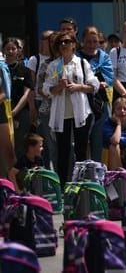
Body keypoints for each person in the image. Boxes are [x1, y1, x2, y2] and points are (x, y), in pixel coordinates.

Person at [43, 30, 100, 185]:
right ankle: (62, 187)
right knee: (63, 152)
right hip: (61, 115)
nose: (64, 44)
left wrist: (78, 87)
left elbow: (94, 85)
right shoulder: (54, 66)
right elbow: (46, 90)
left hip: (81, 113)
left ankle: (81, 186)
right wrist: (58, 87)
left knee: (81, 151)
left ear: (74, 45)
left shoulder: (82, 63)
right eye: (61, 42)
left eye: (67, 41)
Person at [77, 26, 114, 162]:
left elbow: (109, 78)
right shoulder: (76, 57)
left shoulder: (104, 58)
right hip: (81, 103)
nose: (92, 45)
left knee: (97, 142)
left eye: (95, 42)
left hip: (100, 105)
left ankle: (97, 172)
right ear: (83, 42)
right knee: (81, 142)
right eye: (88, 42)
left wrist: (101, 83)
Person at [29, 30, 57, 168]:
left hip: (67, 108)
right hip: (45, 106)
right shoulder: (40, 62)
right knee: (48, 144)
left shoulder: (72, 61)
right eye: (47, 40)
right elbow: (36, 86)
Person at [4, 38, 35, 160]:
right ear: (3, 50)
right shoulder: (1, 69)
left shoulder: (25, 71)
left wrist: (14, 111)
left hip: (21, 111)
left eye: (13, 49)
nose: (11, 51)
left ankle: (19, 175)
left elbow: (27, 94)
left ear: (18, 51)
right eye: (8, 49)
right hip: (3, 111)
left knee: (20, 145)